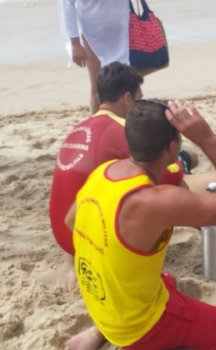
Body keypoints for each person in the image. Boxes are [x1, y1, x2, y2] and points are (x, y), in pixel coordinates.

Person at [65, 99, 216, 350]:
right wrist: (206, 138)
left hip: (104, 307)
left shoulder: (104, 172)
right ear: (173, 147)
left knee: (164, 278)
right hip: (142, 327)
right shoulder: (157, 201)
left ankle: (100, 331)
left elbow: (71, 220)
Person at [50, 62, 187, 284]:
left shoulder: (79, 126)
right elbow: (171, 174)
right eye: (139, 98)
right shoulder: (122, 129)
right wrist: (181, 162)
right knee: (176, 186)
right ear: (127, 98)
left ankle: (71, 263)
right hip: (88, 235)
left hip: (63, 231)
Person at [58, 0, 136, 114]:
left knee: (126, 87)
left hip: (121, 34)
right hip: (92, 37)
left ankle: (125, 130)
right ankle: (96, 131)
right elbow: (66, 4)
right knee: (99, 90)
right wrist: (75, 42)